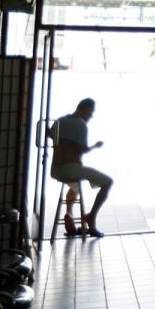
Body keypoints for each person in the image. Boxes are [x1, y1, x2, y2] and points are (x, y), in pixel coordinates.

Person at [50, 98, 113, 238]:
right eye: (90, 112)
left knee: (74, 185)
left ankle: (69, 214)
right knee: (108, 182)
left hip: (55, 170)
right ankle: (91, 217)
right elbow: (82, 150)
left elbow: (50, 134)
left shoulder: (60, 120)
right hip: (70, 168)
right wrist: (95, 146)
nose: (91, 116)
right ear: (83, 108)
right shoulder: (81, 125)